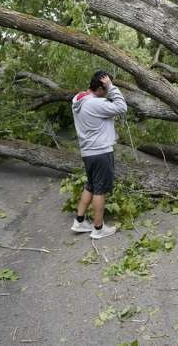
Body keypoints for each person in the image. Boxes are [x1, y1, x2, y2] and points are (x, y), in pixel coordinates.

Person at [69, 70, 127, 239]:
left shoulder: (79, 98)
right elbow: (122, 107)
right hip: (101, 152)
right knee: (100, 190)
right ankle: (98, 228)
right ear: (101, 88)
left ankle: (79, 221)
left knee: (91, 186)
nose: (107, 92)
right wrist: (112, 87)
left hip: (88, 152)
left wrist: (107, 87)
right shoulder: (95, 103)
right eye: (106, 89)